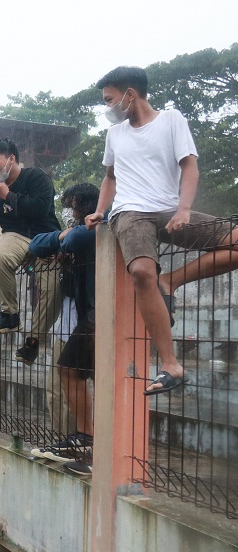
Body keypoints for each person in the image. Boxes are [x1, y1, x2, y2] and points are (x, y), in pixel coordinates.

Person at [85, 65, 238, 396]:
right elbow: (110, 177)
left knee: (236, 242)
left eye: (109, 100)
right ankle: (171, 364)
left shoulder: (172, 120)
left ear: (130, 94)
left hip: (169, 207)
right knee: (142, 271)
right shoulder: (115, 135)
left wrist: (184, 209)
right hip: (129, 211)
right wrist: (99, 211)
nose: (107, 108)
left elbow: (189, 167)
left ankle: (171, 281)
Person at [0, 138, 62, 364]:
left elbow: (39, 209)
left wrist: (9, 195)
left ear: (11, 159)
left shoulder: (36, 177)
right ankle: (10, 314)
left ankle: (33, 341)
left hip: (44, 237)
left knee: (53, 288)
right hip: (15, 237)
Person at [29, 184, 100, 475]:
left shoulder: (100, 224)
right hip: (87, 312)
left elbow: (74, 242)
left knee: (71, 372)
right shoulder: (81, 229)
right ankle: (84, 442)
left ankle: (90, 443)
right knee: (69, 371)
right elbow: (36, 245)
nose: (70, 213)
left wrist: (70, 235)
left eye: (73, 207)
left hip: (100, 312)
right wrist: (62, 235)